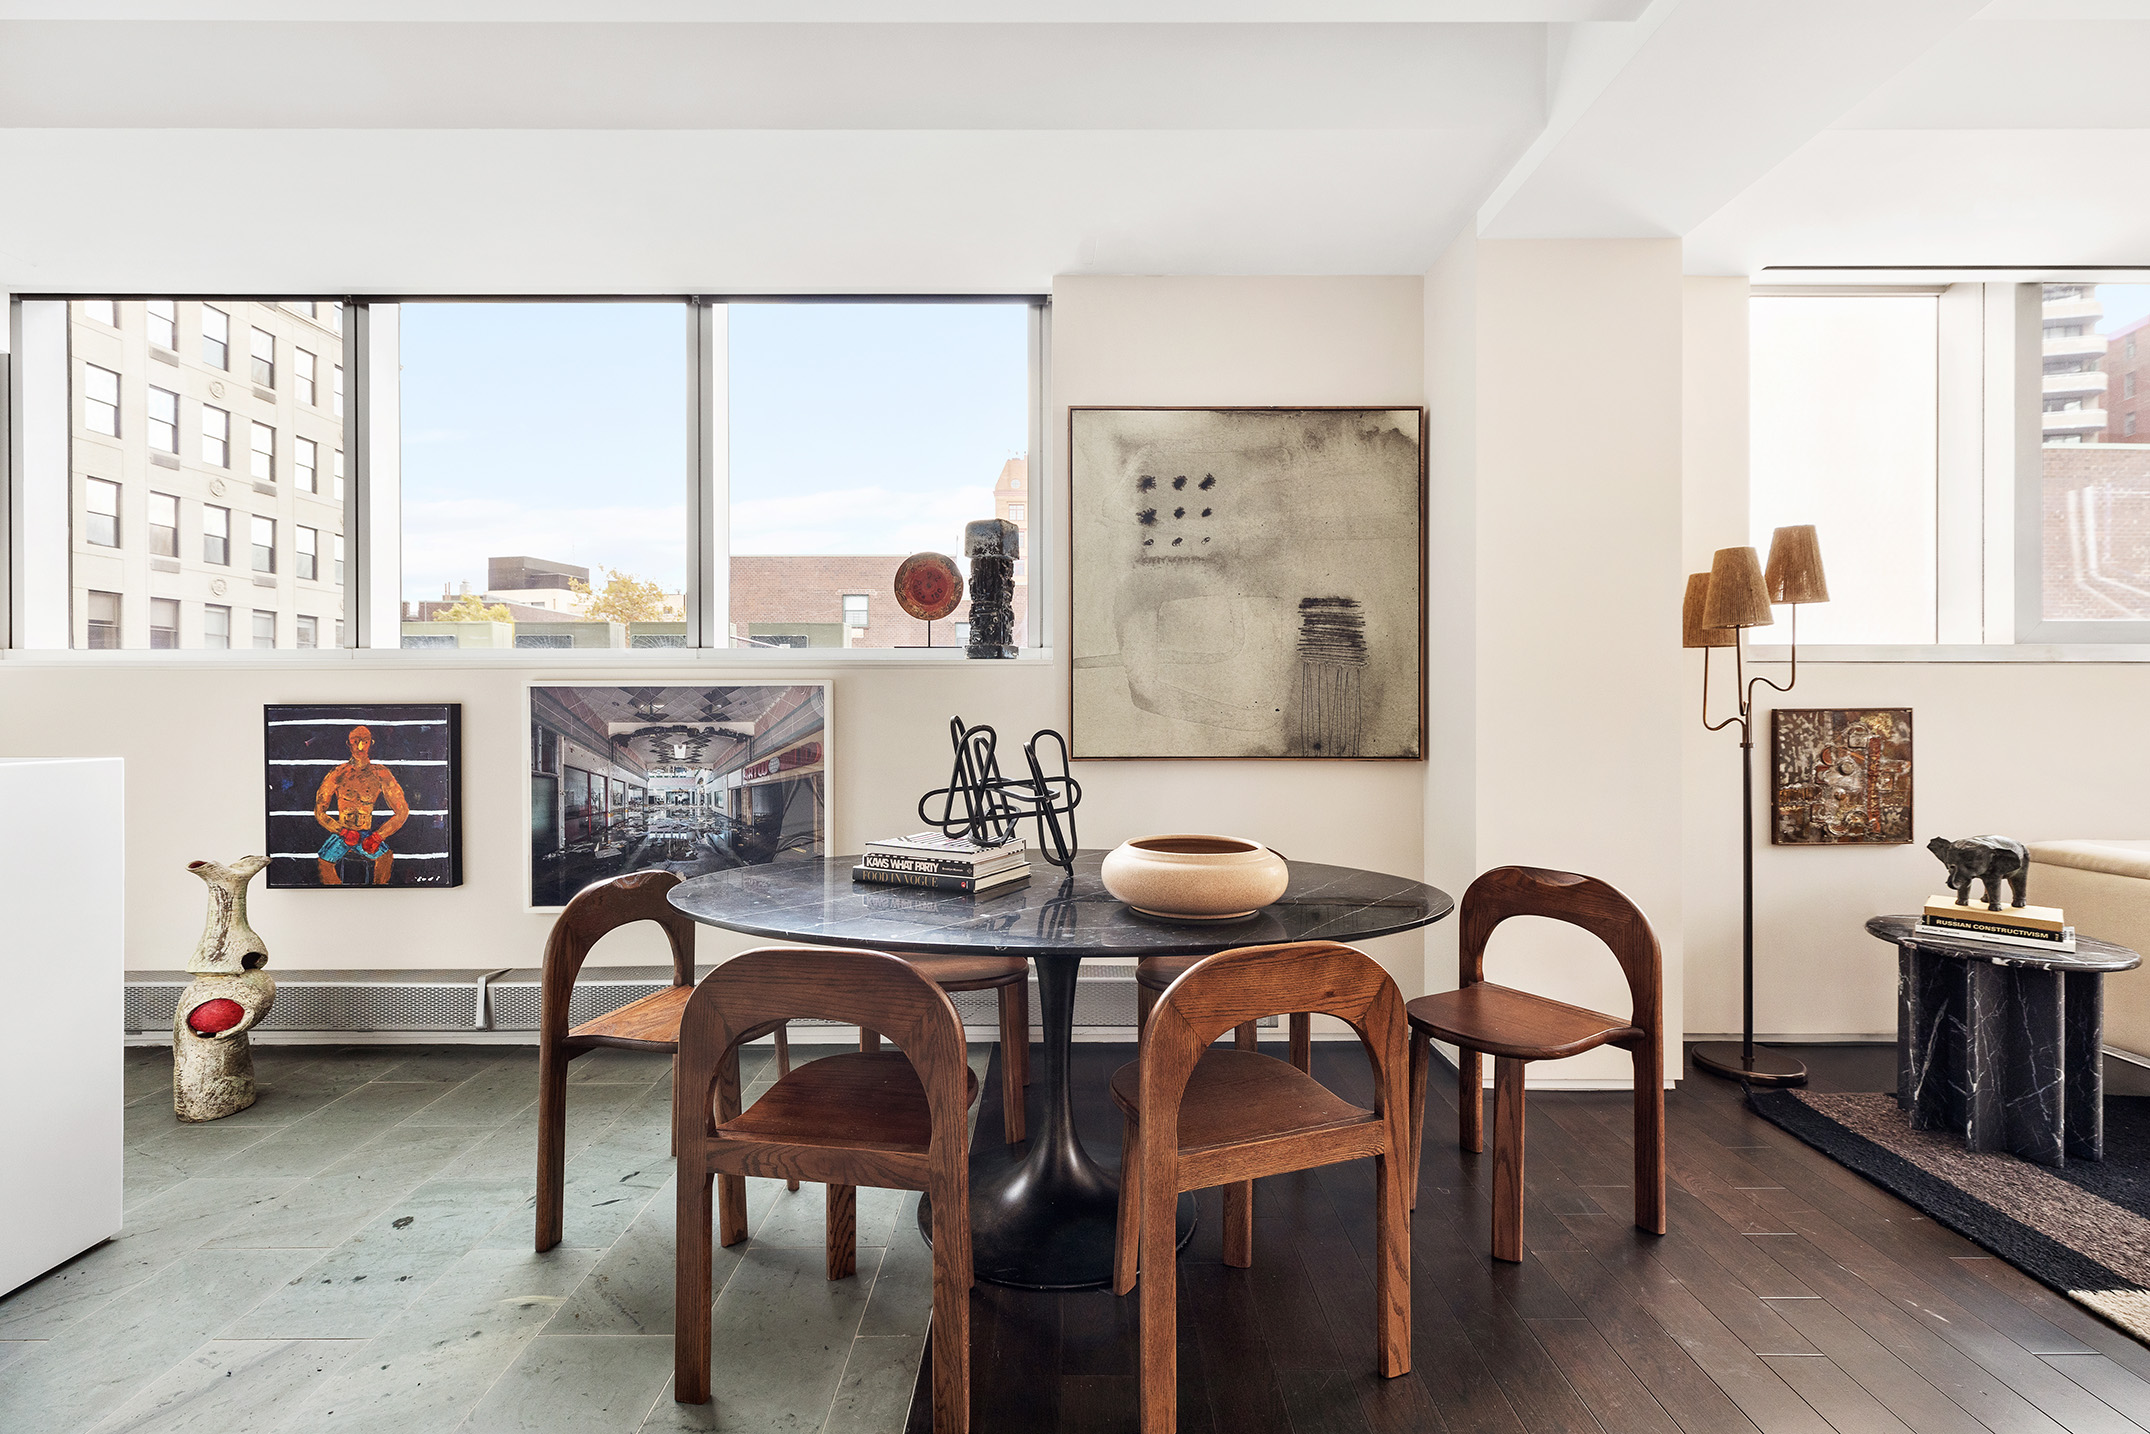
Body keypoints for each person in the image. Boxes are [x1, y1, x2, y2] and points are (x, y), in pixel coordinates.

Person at [314, 725, 410, 885]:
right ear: (348, 744)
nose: (360, 747)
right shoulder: (337, 773)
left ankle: (378, 896)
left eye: (365, 741)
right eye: (355, 741)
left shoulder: (380, 773)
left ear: (371, 743)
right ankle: (339, 897)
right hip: (341, 833)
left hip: (367, 835)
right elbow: (319, 811)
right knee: (324, 863)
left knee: (385, 858)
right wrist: (342, 831)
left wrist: (378, 836)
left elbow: (402, 811)